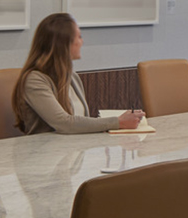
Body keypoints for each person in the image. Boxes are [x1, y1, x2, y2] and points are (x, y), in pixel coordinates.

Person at [13, 13, 143, 134]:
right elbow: (64, 123)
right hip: (46, 154)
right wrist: (118, 122)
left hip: (73, 151)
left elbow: (81, 120)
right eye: (79, 37)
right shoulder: (34, 80)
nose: (82, 42)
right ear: (63, 44)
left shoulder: (72, 76)